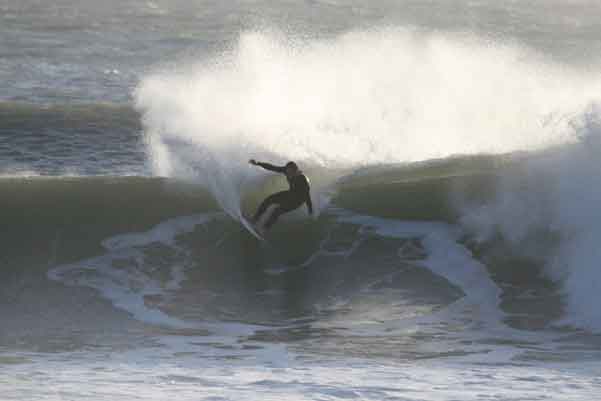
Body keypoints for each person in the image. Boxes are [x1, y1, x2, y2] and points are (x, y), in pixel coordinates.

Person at [249, 159, 313, 232]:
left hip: (298, 200)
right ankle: (255, 219)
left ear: (295, 171)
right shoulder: (286, 170)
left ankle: (264, 229)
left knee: (277, 211)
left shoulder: (302, 179)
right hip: (290, 194)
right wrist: (258, 163)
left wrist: (310, 210)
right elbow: (272, 167)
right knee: (269, 199)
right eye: (288, 172)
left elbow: (307, 196)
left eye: (291, 173)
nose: (289, 174)